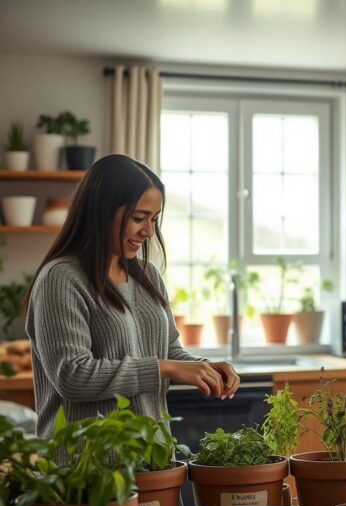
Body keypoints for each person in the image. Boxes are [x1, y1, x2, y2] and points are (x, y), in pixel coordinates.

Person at [26, 154, 240, 443]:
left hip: (153, 458)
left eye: (154, 219)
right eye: (138, 218)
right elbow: (73, 376)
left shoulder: (148, 275)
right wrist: (166, 368)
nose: (149, 231)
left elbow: (168, 351)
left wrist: (202, 366)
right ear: (101, 212)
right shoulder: (61, 278)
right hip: (85, 468)